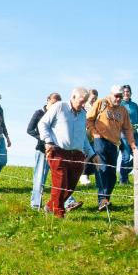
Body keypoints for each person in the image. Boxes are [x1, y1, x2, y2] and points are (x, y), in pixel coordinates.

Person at [38, 87, 100, 218]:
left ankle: (50, 206)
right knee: (60, 184)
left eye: (85, 102)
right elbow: (42, 124)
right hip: (59, 151)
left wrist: (92, 154)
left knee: (70, 187)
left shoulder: (83, 114)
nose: (84, 105)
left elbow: (83, 137)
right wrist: (48, 142)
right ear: (73, 97)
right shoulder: (60, 107)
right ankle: (59, 214)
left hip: (77, 154)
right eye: (82, 101)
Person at [87, 85, 137, 211]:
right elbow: (89, 119)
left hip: (114, 144)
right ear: (111, 94)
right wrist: (94, 134)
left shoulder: (123, 110)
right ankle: (102, 200)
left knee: (112, 175)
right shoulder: (101, 103)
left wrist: (132, 144)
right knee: (102, 169)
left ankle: (106, 200)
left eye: (120, 96)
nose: (119, 98)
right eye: (116, 96)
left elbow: (128, 129)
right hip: (100, 141)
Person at [28, 93, 80, 211]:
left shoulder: (60, 113)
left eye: (57, 103)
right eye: (53, 102)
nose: (55, 105)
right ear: (47, 100)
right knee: (39, 178)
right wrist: (45, 140)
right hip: (42, 150)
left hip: (57, 152)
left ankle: (68, 202)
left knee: (62, 178)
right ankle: (36, 204)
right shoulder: (39, 113)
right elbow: (30, 130)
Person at [119, 84, 138, 184]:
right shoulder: (120, 104)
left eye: (127, 91)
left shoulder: (134, 105)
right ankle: (123, 180)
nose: (126, 93)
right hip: (123, 134)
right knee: (126, 157)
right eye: (124, 92)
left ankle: (123, 173)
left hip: (134, 133)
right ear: (121, 93)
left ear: (130, 93)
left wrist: (137, 124)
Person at [80, 88, 99, 185]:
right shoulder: (85, 106)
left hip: (94, 134)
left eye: (96, 98)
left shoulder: (96, 107)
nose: (94, 100)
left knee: (93, 154)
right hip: (86, 133)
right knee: (87, 154)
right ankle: (83, 175)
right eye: (92, 98)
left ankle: (89, 175)